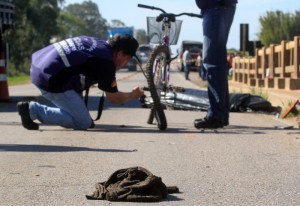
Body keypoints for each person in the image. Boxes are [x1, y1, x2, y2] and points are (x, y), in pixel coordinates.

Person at [17, 34, 144, 130]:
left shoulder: (99, 45)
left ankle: (33, 112)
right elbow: (114, 98)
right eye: (128, 59)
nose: (126, 63)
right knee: (83, 122)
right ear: (120, 54)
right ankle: (32, 110)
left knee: (80, 114)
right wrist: (132, 95)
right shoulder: (105, 62)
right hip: (50, 78)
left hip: (39, 65)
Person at [194, 0, 237, 129]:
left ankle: (216, 116)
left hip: (215, 7)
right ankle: (221, 115)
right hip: (218, 7)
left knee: (213, 62)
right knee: (217, 61)